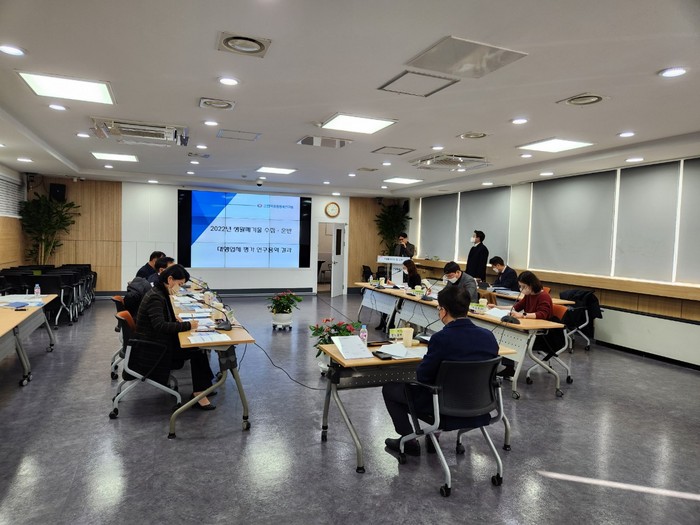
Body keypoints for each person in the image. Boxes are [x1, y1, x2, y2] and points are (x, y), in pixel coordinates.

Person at [382, 286, 499, 456]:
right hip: (481, 406)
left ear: (443, 311)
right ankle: (434, 434)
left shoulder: (441, 339)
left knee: (390, 389)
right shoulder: (489, 336)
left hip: (445, 409)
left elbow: (423, 376)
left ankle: (409, 440)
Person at [133, 264, 216, 410]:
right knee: (197, 351)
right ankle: (200, 393)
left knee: (198, 348)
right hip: (153, 349)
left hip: (156, 341)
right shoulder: (155, 297)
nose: (180, 288)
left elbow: (160, 320)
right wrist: (188, 325)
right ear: (170, 279)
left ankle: (204, 387)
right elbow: (160, 326)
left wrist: (173, 319)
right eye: (180, 284)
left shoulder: (159, 292)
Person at [497, 270, 563, 378]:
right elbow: (515, 307)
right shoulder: (529, 295)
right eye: (520, 286)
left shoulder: (544, 296)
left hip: (542, 336)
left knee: (509, 338)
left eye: (523, 286)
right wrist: (496, 307)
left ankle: (509, 369)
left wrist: (523, 315)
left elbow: (542, 314)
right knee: (506, 334)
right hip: (531, 331)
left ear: (531, 285)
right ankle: (508, 368)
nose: (521, 289)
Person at [376, 260, 422, 330]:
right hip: (405, 296)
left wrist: (407, 289)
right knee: (387, 303)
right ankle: (383, 324)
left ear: (409, 267)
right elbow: (405, 287)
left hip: (409, 300)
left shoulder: (416, 276)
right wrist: (394, 284)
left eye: (404, 268)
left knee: (393, 305)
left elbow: (415, 289)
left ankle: (390, 325)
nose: (403, 269)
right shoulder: (409, 275)